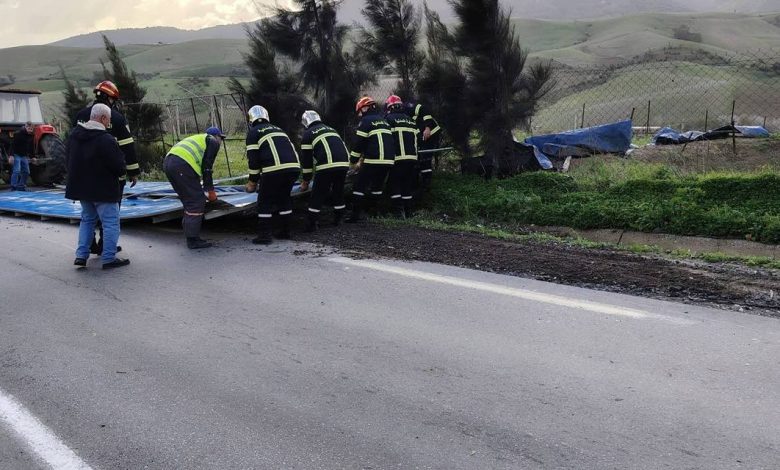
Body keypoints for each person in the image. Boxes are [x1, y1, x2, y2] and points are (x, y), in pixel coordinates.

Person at [75, 80, 140, 256]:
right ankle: (106, 248)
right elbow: (127, 146)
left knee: (88, 217)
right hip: (111, 178)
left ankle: (87, 248)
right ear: (109, 98)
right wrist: (133, 172)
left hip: (84, 176)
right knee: (110, 216)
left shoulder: (80, 116)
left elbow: (73, 147)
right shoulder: (116, 118)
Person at [65, 104, 129, 269]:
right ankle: (108, 258)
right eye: (108, 120)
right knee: (110, 223)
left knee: (87, 221)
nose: (109, 123)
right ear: (103, 118)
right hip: (104, 190)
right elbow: (119, 166)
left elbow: (68, 160)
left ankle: (81, 255)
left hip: (82, 189)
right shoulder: (106, 139)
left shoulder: (74, 136)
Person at [244, 105, 301, 245]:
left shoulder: (253, 133)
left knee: (264, 201)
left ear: (251, 119)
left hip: (273, 170)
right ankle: (286, 231)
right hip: (293, 169)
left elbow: (254, 161)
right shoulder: (279, 129)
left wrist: (252, 182)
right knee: (284, 198)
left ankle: (264, 236)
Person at [163, 127, 224, 249]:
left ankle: (190, 234)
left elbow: (198, 166)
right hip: (181, 165)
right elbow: (207, 168)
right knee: (196, 201)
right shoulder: (213, 141)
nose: (221, 141)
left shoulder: (199, 139)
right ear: (216, 136)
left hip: (169, 163)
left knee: (189, 200)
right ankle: (192, 240)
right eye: (221, 138)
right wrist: (210, 190)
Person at [299, 110, 350, 232]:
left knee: (318, 193)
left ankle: (312, 223)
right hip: (343, 164)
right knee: (338, 191)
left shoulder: (308, 134)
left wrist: (305, 181)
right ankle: (339, 219)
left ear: (305, 122)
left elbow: (307, 162)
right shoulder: (331, 129)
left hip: (326, 166)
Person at [347, 96, 395, 223]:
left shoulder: (365, 121)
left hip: (373, 160)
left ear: (365, 108)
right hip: (389, 161)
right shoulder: (384, 121)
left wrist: (353, 161)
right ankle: (374, 213)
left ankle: (355, 216)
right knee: (377, 187)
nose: (359, 114)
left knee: (359, 185)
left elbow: (359, 143)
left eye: (360, 111)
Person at [384, 96, 420, 218]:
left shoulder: (388, 119)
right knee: (406, 185)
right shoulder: (410, 120)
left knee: (394, 184)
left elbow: (386, 138)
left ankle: (398, 213)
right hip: (412, 158)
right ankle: (408, 212)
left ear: (390, 107)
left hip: (397, 158)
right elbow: (418, 138)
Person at [404, 100, 441, 192]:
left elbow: (424, 109)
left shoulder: (409, 107)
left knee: (425, 158)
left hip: (431, 132)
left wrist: (428, 128)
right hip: (421, 136)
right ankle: (418, 183)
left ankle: (426, 183)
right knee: (419, 158)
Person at [10, 121, 34, 191]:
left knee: (26, 172)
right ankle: (13, 187)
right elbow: (12, 145)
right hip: (16, 155)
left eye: (31, 129)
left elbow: (30, 147)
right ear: (25, 127)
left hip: (24, 156)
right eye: (29, 128)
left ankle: (21, 186)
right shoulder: (18, 134)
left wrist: (32, 156)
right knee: (16, 171)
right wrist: (11, 156)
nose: (30, 130)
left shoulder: (30, 136)